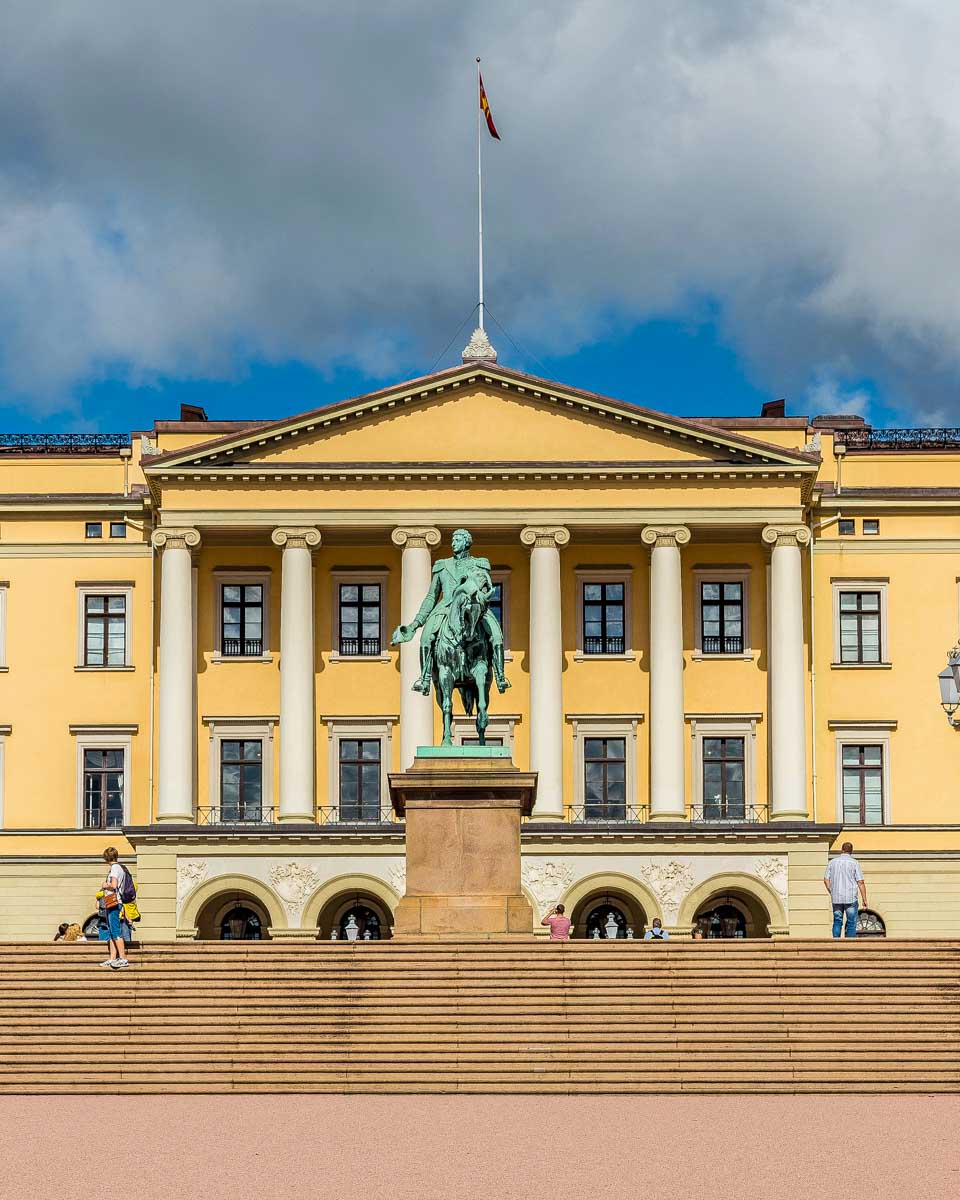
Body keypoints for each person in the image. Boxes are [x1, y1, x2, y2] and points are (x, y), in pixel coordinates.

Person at [824, 841, 867, 939]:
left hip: (836, 898)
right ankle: (850, 944)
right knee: (851, 922)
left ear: (842, 850)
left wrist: (832, 891)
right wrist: (864, 899)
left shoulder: (832, 862)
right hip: (850, 898)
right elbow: (860, 882)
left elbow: (826, 880)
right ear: (851, 851)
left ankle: (836, 943)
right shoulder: (854, 863)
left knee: (837, 921)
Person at [99, 846, 130, 969]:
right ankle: (112, 958)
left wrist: (105, 885)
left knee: (116, 931)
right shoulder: (120, 868)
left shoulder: (115, 868)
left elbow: (114, 885)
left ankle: (123, 958)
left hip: (114, 902)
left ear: (106, 858)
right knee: (112, 931)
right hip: (113, 902)